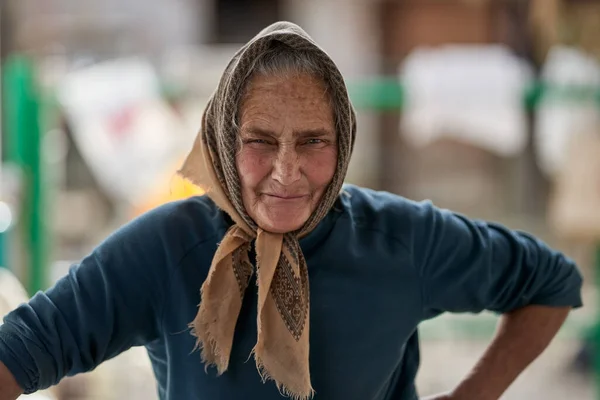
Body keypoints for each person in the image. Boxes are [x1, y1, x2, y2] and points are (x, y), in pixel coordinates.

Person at [0, 22, 583, 400]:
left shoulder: (400, 240)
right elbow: (23, 349)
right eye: (259, 141)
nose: (285, 172)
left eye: (312, 141)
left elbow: (550, 281)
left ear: (345, 141)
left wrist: (471, 395)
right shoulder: (167, 249)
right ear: (224, 142)